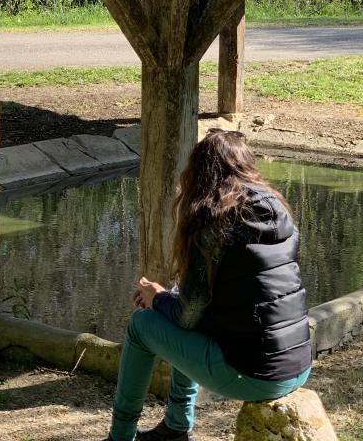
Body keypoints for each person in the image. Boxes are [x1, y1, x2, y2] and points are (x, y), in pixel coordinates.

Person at [103, 128, 312, 441]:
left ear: (200, 173)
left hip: (254, 374)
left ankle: (120, 436)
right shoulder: (279, 213)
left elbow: (188, 316)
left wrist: (157, 298)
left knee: (141, 324)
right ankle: (175, 427)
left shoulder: (213, 222)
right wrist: (170, 296)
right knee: (183, 312)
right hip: (297, 364)